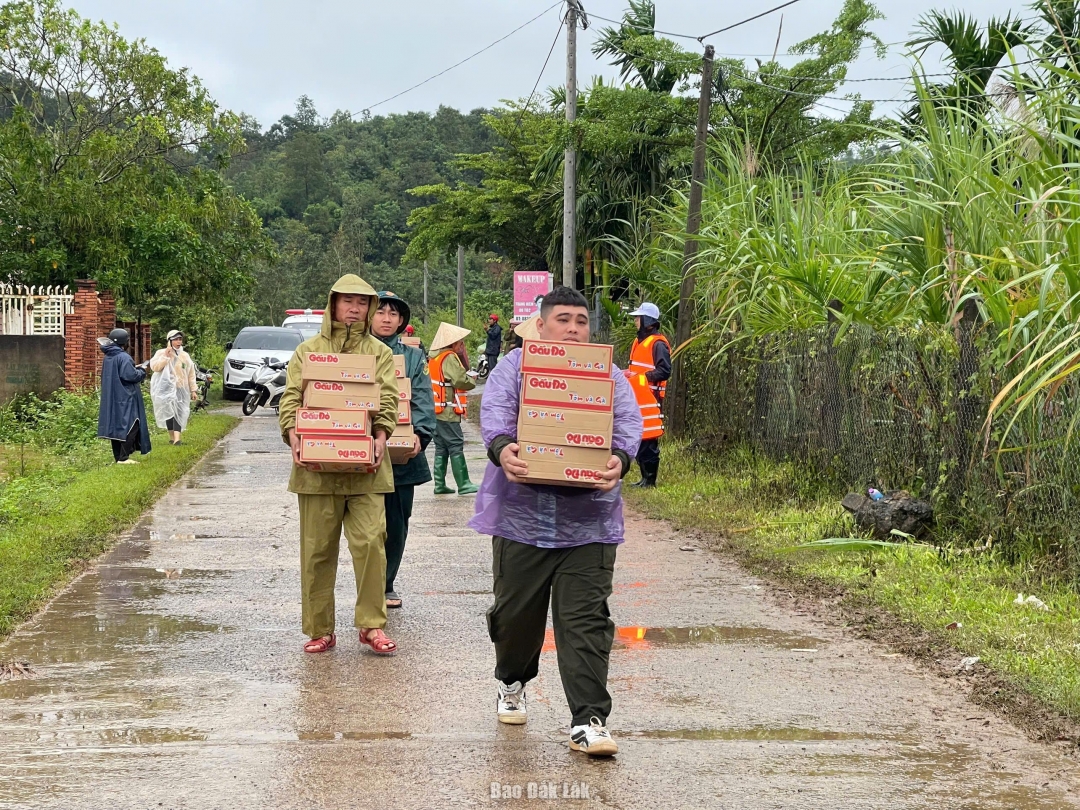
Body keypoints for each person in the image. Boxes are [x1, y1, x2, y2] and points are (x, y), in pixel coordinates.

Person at [469, 286, 643, 757]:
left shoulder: (608, 375)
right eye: (563, 319)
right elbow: (496, 412)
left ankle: (589, 720)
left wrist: (621, 458)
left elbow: (628, 423)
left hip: (589, 524)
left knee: (585, 622)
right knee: (515, 619)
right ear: (542, 325)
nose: (572, 328)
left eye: (581, 321)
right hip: (521, 520)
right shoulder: (514, 368)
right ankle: (511, 681)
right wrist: (503, 448)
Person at [278, 274, 400, 656]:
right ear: (332, 304)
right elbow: (291, 397)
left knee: (372, 545)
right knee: (316, 552)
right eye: (347, 301)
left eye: (362, 303)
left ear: (370, 308)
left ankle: (372, 625)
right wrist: (292, 433)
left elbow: (388, 399)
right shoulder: (308, 352)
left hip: (367, 472)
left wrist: (381, 435)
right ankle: (320, 629)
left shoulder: (379, 353)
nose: (354, 309)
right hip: (315, 472)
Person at [372, 291, 437, 610]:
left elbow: (423, 397)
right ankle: (368, 584)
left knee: (396, 524)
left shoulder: (412, 357)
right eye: (380, 311)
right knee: (365, 526)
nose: (387, 318)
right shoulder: (354, 352)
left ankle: (386, 584)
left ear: (401, 321)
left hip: (401, 457)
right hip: (360, 453)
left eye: (393, 314)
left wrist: (420, 436)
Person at [428, 322, 479, 495]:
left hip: (436, 410)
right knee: (455, 444)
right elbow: (459, 380)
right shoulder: (449, 357)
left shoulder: (434, 357)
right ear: (452, 343)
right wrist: (471, 380)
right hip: (447, 411)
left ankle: (439, 485)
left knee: (441, 447)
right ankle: (464, 484)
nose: (462, 345)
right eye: (461, 342)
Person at [626, 303, 671, 488]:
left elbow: (665, 371)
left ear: (648, 321)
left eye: (638, 317)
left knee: (649, 439)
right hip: (638, 397)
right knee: (639, 437)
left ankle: (650, 480)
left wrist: (642, 378)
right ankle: (644, 478)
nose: (635, 321)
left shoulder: (658, 344)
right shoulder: (638, 342)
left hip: (651, 398)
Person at [96, 329, 152, 464]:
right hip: (126, 397)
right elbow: (131, 376)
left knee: (116, 426)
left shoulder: (108, 357)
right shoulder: (124, 357)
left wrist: (134, 367)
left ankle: (118, 457)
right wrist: (142, 370)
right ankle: (123, 458)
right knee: (133, 424)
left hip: (112, 397)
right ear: (124, 342)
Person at [148, 329, 199, 445]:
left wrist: (193, 390)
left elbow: (191, 373)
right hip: (165, 389)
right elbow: (155, 367)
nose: (178, 342)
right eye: (176, 339)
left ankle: (177, 439)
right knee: (169, 412)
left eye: (180, 339)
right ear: (170, 341)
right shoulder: (161, 353)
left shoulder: (184, 356)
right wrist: (166, 357)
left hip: (181, 389)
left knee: (179, 412)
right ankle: (172, 437)